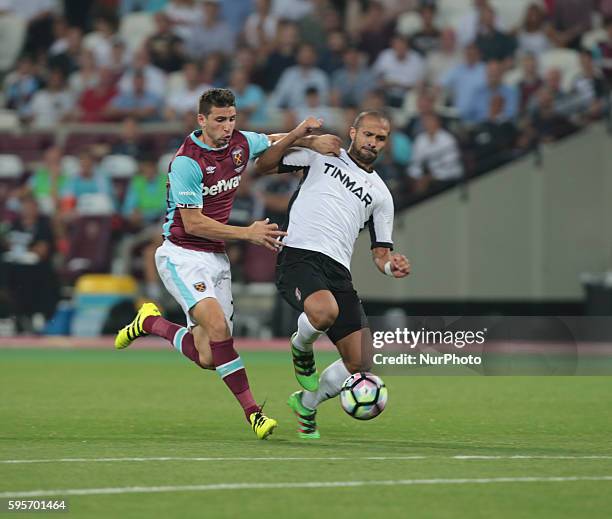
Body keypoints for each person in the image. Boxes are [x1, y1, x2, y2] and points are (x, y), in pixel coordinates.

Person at [114, 88, 341, 440]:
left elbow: (268, 141)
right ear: (201, 120)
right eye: (219, 120)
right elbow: (194, 224)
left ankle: (152, 323)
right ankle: (254, 414)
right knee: (218, 328)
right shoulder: (187, 162)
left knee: (208, 356)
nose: (227, 126)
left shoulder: (238, 142)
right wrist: (248, 233)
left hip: (215, 258)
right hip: (182, 255)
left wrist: (306, 138)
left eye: (232, 119)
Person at [253, 111, 411, 439]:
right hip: (298, 255)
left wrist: (390, 266)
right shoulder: (324, 154)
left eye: (380, 139)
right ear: (353, 132)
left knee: (361, 360)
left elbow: (380, 252)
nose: (373, 143)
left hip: (338, 270)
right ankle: (301, 345)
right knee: (324, 312)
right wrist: (303, 135)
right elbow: (264, 163)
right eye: (368, 134)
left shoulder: (382, 195)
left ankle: (307, 404)